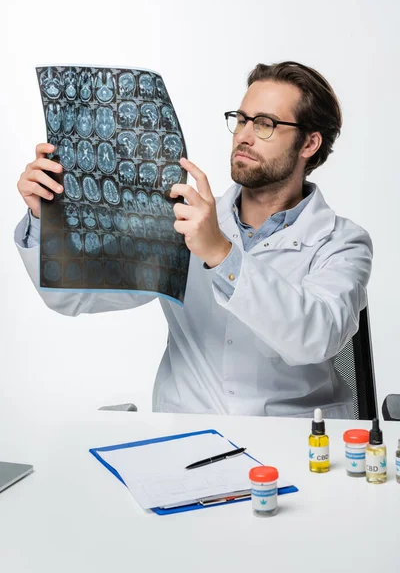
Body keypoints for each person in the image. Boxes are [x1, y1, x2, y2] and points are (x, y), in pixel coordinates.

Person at [15, 61, 372, 418]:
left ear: (309, 143)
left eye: (265, 124)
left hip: (296, 441)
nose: (244, 136)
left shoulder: (342, 242)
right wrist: (43, 217)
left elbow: (318, 337)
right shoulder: (181, 219)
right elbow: (73, 297)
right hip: (187, 435)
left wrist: (221, 253)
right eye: (242, 119)